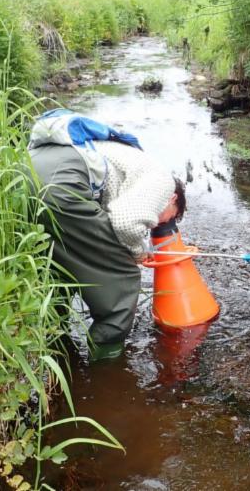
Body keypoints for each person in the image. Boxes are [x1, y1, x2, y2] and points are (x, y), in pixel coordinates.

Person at [26, 109, 185, 361]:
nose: (158, 224)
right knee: (121, 274)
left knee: (61, 265)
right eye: (168, 219)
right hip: (62, 187)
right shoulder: (162, 180)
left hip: (21, 174)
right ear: (173, 199)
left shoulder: (128, 159)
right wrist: (136, 253)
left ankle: (55, 347)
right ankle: (106, 365)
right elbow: (125, 222)